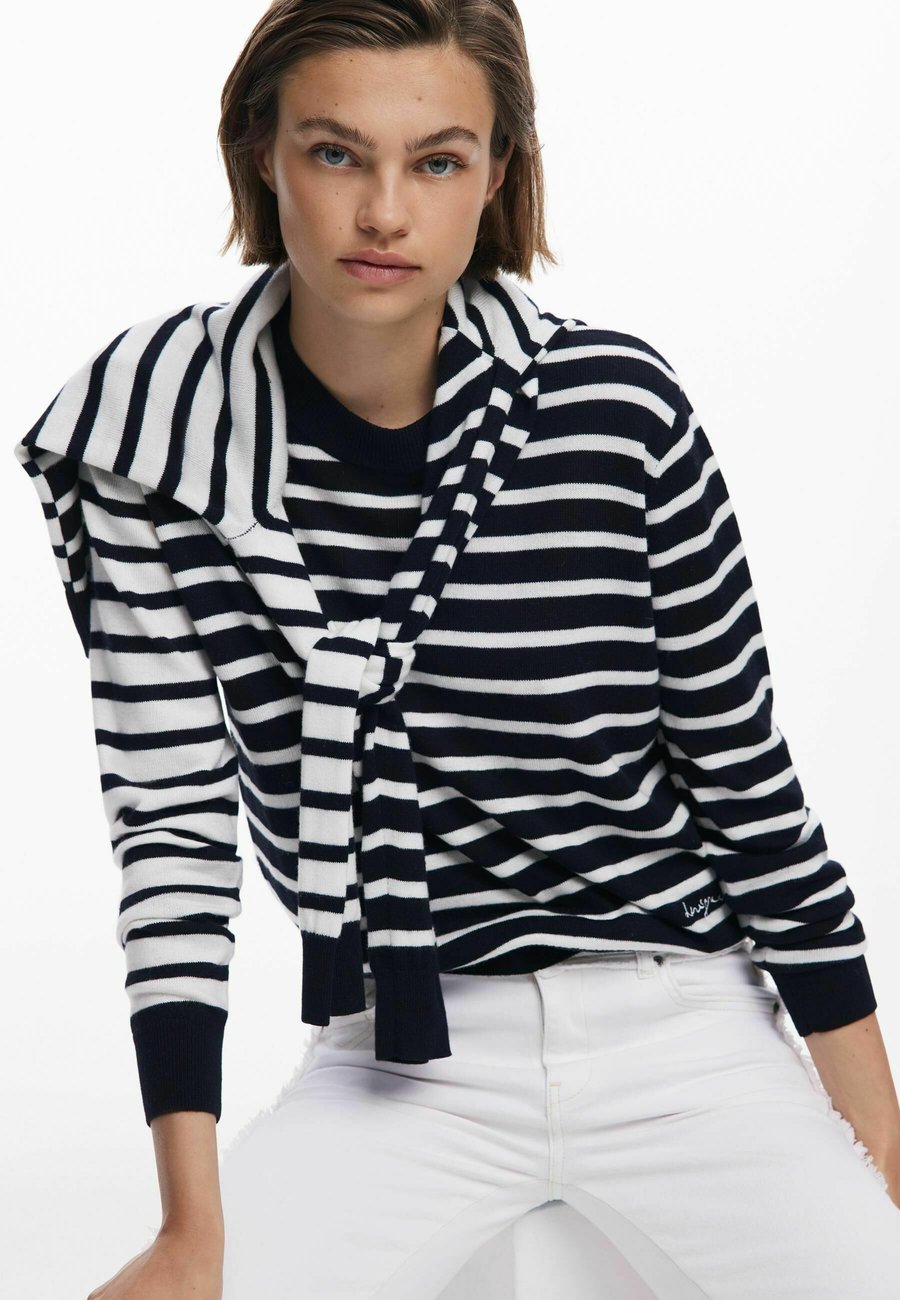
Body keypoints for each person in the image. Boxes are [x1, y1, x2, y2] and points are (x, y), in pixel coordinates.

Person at [13, 2, 900, 1297]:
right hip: (397, 1048)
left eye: (436, 161)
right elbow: (173, 833)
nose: (384, 212)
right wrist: (189, 1229)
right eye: (335, 153)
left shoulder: (615, 413)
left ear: (496, 175)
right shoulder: (149, 441)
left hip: (681, 1021)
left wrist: (880, 1158)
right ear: (260, 154)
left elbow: (748, 789)